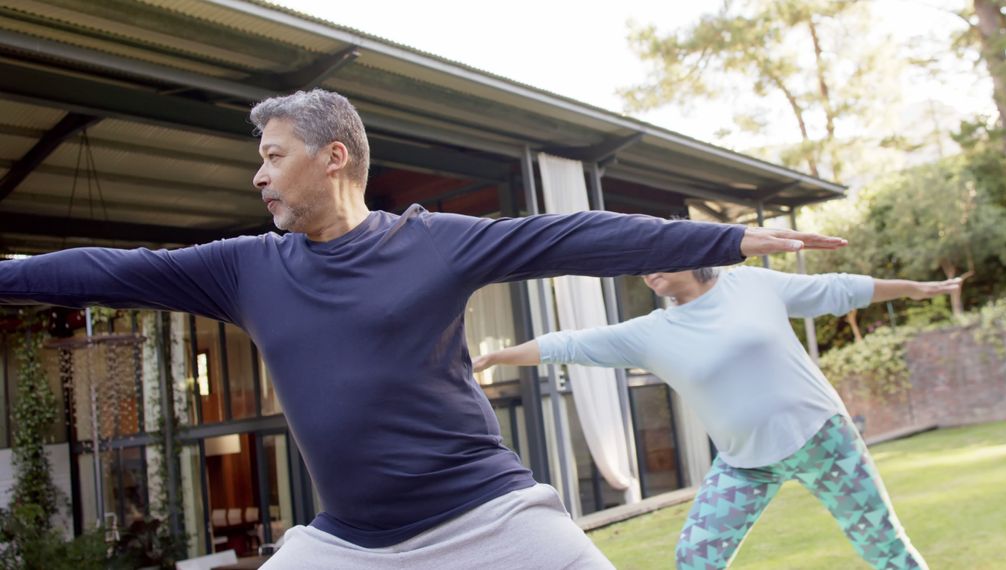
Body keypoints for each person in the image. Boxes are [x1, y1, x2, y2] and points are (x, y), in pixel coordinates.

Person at [0, 89, 847, 568]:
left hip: (492, 520)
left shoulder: (433, 242)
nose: (258, 175)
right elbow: (110, 268)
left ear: (334, 157)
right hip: (350, 545)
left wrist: (726, 238)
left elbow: (573, 237)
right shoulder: (244, 268)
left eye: (273, 155)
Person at [474, 266, 958, 569]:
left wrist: (913, 288)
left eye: (653, 259)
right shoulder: (650, 333)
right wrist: (496, 358)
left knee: (885, 550)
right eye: (638, 268)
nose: (645, 273)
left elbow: (836, 289)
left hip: (822, 439)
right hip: (746, 462)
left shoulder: (750, 284)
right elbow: (572, 345)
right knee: (696, 557)